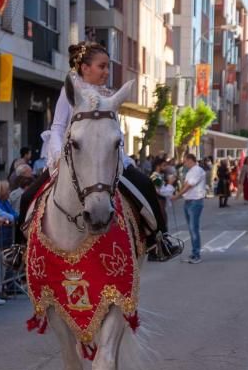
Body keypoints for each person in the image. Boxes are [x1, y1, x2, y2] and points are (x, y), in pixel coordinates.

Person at [18, 41, 168, 246]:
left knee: (145, 185)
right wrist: (57, 156)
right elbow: (58, 127)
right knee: (27, 197)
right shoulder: (69, 91)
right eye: (102, 66)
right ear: (85, 67)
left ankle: (160, 238)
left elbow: (114, 133)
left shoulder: (109, 96)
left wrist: (122, 158)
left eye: (107, 66)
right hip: (73, 156)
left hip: (106, 159)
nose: (107, 71)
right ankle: (19, 248)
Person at [173, 153, 206, 264]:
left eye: (185, 161)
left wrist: (177, 195)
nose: (184, 163)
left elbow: (189, 185)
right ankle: (194, 252)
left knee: (193, 228)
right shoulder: (190, 171)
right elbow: (186, 184)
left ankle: (197, 254)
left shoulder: (197, 170)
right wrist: (179, 194)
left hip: (195, 201)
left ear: (190, 160)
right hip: (189, 201)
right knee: (191, 229)